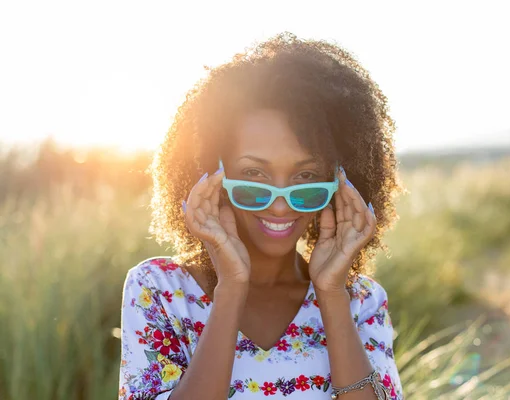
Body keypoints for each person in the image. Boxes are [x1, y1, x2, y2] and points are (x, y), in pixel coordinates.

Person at [118, 32, 403, 400]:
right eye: (254, 175)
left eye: (306, 177)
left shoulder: (360, 301)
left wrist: (331, 294)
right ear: (212, 178)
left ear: (338, 185)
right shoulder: (158, 290)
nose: (281, 205)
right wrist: (231, 289)